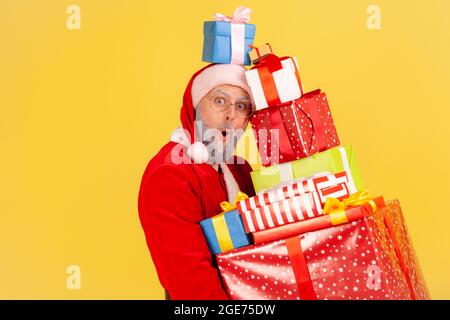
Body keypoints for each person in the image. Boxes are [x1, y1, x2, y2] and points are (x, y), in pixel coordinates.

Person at [137, 63, 256, 300]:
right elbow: (191, 286)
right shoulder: (169, 175)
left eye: (241, 106)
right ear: (194, 107)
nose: (231, 115)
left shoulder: (240, 169)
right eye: (219, 101)